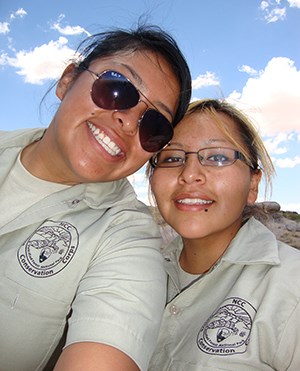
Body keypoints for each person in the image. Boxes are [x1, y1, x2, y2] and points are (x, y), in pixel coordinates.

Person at [0, 24, 191, 371]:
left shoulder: (127, 239)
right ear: (67, 80)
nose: (128, 122)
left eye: (154, 125)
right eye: (117, 87)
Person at [147, 99, 300, 370]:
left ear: (253, 185)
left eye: (218, 156)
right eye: (172, 157)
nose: (190, 174)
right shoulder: (131, 272)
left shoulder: (291, 288)